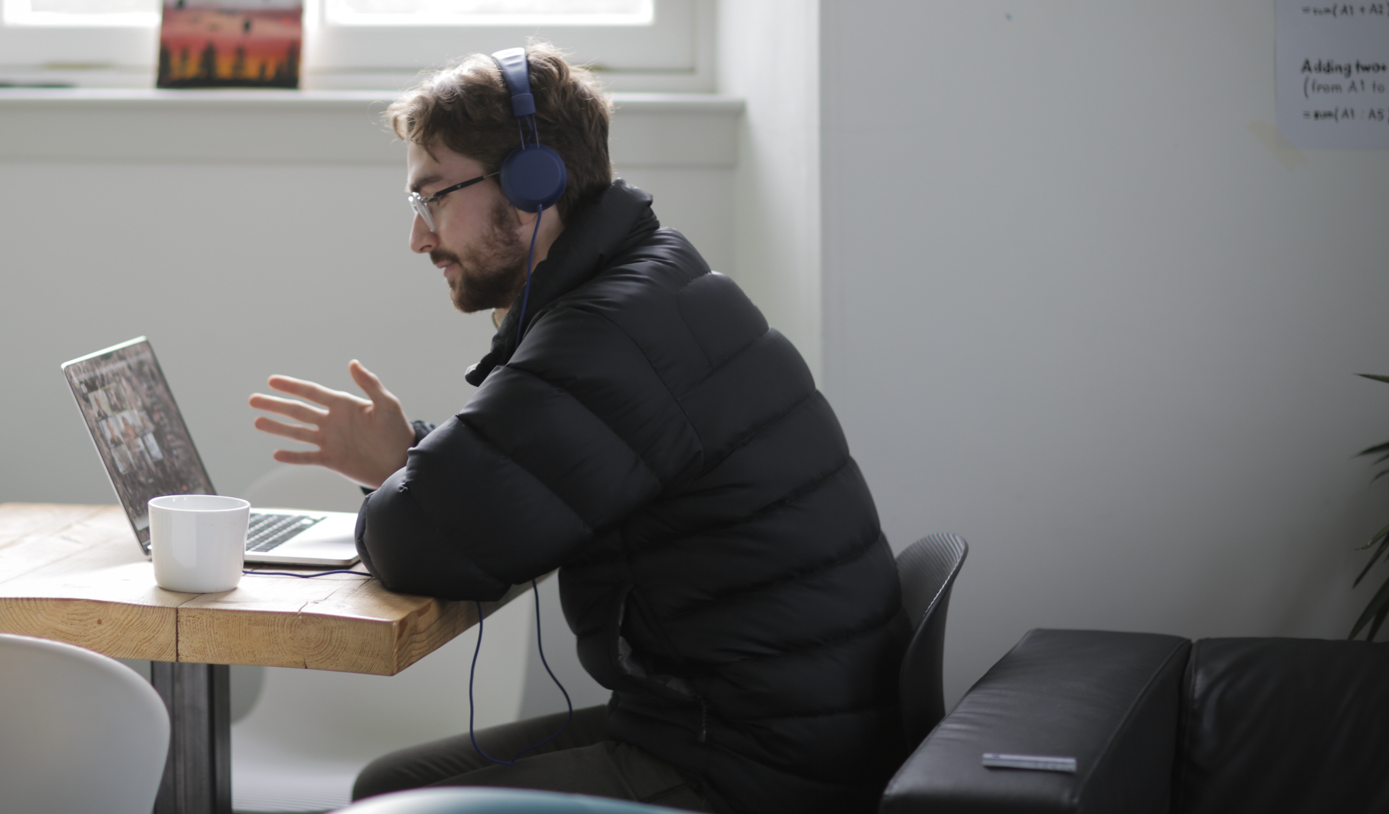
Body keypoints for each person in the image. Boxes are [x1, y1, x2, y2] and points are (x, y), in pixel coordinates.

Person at [249, 44, 907, 814]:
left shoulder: (607, 331)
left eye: (433, 198)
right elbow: (517, 484)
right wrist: (408, 459)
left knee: (388, 802)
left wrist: (401, 473)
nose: (420, 238)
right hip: (764, 732)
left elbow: (419, 542)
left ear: (535, 184)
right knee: (387, 786)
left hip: (750, 769)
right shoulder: (649, 279)